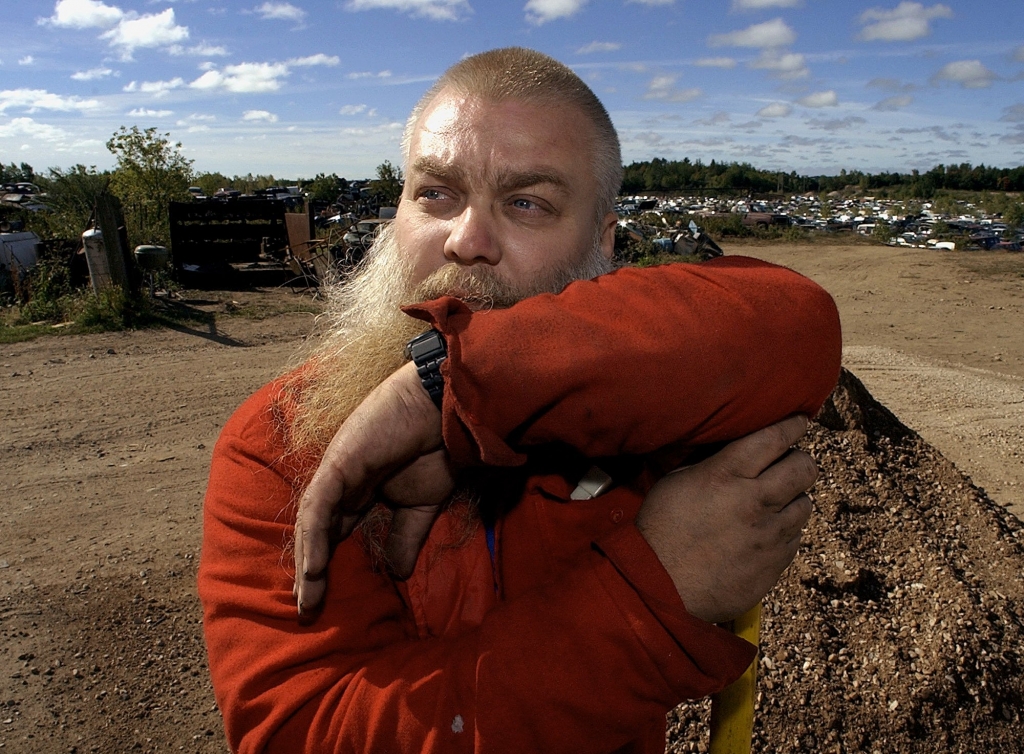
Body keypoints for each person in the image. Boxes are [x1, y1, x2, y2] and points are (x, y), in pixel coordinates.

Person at [199, 47, 842, 753]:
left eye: (527, 202)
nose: (467, 241)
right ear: (395, 218)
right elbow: (303, 732)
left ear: (603, 242)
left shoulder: (643, 402)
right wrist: (651, 600)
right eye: (435, 194)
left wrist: (448, 382)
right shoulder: (284, 442)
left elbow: (799, 323)